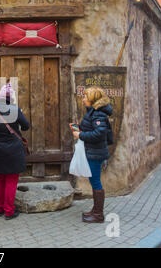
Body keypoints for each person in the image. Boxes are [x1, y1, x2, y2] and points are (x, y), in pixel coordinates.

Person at [0, 83, 30, 220]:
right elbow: (26, 126)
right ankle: (9, 211)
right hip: (13, 150)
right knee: (11, 179)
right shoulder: (14, 110)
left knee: (1, 178)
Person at [71, 86, 112, 223]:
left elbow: (99, 134)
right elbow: (93, 128)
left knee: (95, 181)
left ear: (92, 99)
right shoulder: (93, 112)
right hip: (92, 151)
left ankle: (98, 214)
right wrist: (79, 128)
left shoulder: (98, 114)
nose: (83, 100)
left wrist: (80, 134)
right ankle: (95, 211)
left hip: (95, 153)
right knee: (94, 181)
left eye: (86, 97)